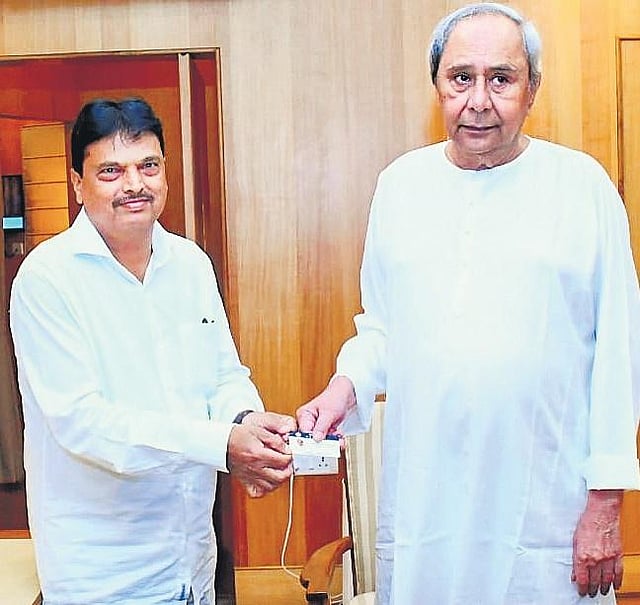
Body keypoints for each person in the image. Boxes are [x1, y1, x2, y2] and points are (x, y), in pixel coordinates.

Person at [296, 3, 640, 604]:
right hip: (428, 500)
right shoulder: (400, 186)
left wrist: (606, 500)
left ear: (532, 88)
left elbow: (620, 348)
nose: (478, 100)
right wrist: (345, 385)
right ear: (437, 86)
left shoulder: (582, 187)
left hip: (544, 504)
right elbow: (381, 328)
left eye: (501, 78)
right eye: (461, 78)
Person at [9, 98, 295, 605]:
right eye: (111, 171)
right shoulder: (46, 279)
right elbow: (84, 423)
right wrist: (221, 444)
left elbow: (223, 375)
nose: (134, 184)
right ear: (77, 183)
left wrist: (246, 420)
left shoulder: (190, 264)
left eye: (148, 165)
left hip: (192, 562)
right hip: (103, 575)